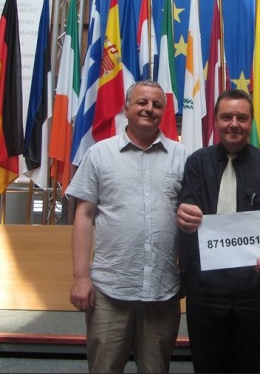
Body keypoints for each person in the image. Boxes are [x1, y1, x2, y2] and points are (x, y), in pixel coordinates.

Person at [67, 80, 188, 373]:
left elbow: (193, 219)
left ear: (164, 111)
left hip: (163, 290)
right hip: (109, 289)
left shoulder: (182, 157)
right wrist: (81, 277)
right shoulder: (99, 154)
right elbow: (83, 216)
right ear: (127, 107)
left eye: (157, 104)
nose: (149, 109)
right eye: (142, 102)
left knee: (156, 369)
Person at [176, 89, 260, 373]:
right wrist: (185, 215)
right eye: (227, 117)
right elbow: (185, 209)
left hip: (256, 288)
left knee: (251, 366)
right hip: (205, 290)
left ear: (251, 122)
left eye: (242, 117)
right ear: (215, 121)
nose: (234, 123)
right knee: (207, 365)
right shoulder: (196, 163)